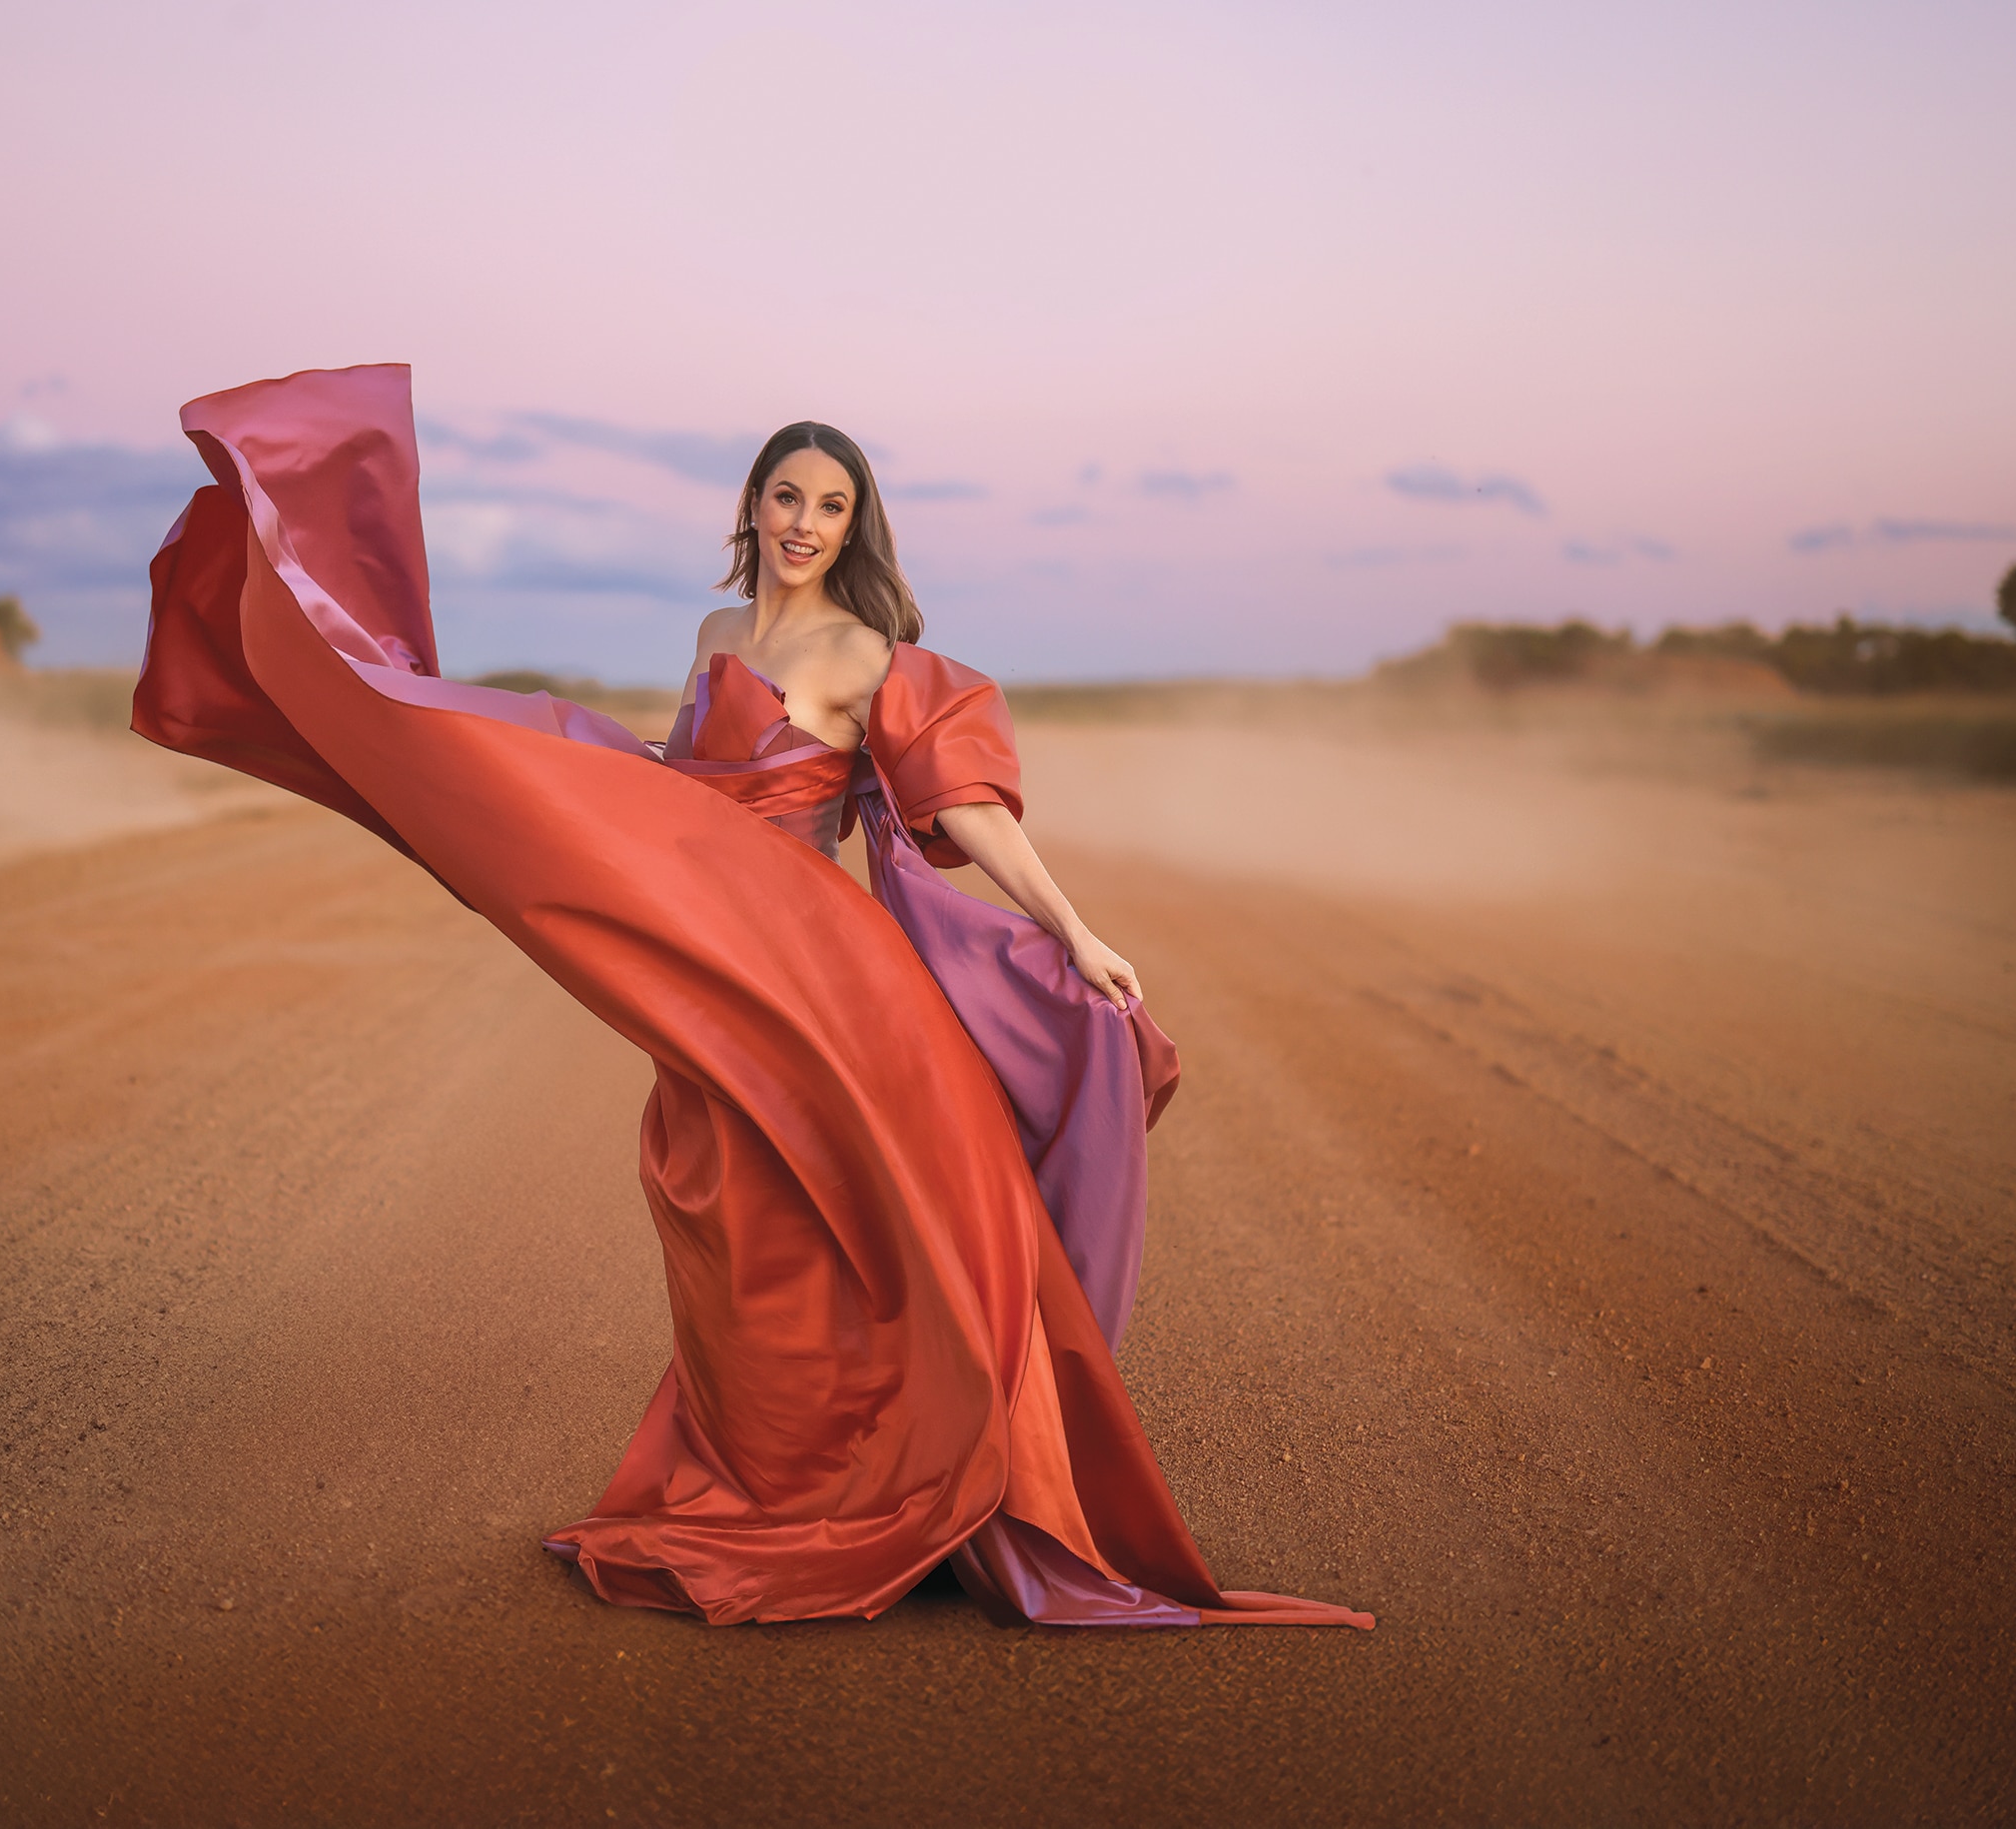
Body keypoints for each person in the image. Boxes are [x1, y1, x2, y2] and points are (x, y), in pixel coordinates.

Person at [134, 363, 1373, 1631]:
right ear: (756, 504)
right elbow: (680, 788)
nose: (803, 522)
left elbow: (965, 809)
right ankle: (779, 1482)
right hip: (712, 954)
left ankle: (893, 1486)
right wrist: (518, 802)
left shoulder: (865, 652)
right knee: (726, 1207)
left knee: (821, 1219)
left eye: (831, 506)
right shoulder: (718, 638)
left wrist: (1075, 926)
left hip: (817, 968)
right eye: (787, 495)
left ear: (855, 525)